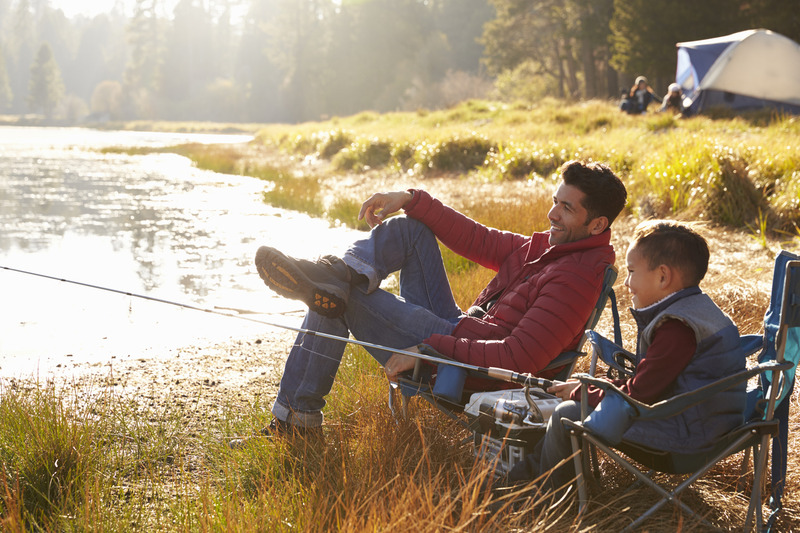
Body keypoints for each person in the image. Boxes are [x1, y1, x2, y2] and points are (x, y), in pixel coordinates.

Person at [237, 160, 628, 441]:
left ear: (597, 225)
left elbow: (517, 360)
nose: (551, 213)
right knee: (408, 231)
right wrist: (409, 198)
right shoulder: (549, 248)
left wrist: (429, 348)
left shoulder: (576, 277)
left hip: (467, 367)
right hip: (463, 328)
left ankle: (295, 422)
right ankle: (336, 274)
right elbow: (477, 238)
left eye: (566, 208)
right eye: (555, 201)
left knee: (340, 297)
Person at [502, 220, 746, 493]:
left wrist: (583, 391)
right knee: (576, 407)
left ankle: (545, 496)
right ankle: (525, 480)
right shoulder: (700, 309)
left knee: (567, 414)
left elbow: (639, 395)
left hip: (686, 439)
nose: (627, 283)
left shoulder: (676, 327)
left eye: (631, 272)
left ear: (663, 277)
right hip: (707, 426)